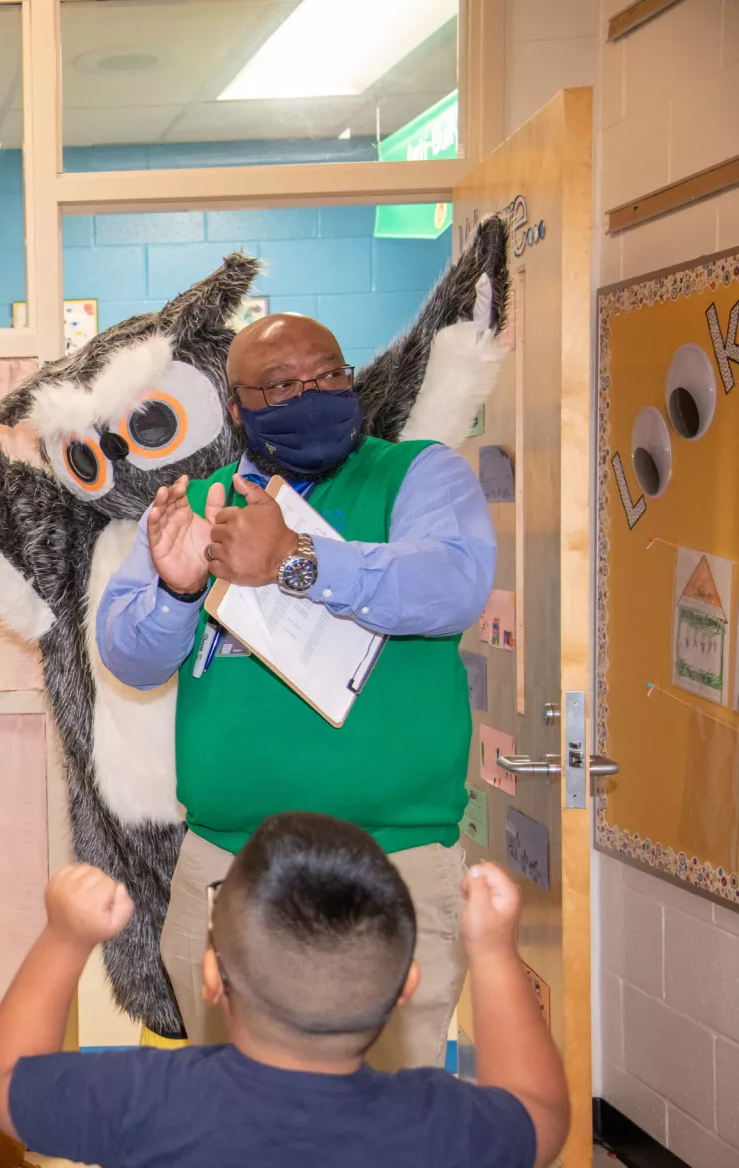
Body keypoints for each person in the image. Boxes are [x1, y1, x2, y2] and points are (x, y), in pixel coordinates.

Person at [96, 312, 496, 1070]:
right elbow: (129, 655)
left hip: (394, 863)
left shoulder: (417, 473)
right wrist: (179, 592)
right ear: (239, 407)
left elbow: (450, 585)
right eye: (281, 385)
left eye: (329, 376)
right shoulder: (202, 504)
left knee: (381, 1130)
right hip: (228, 867)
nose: (312, 394)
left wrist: (294, 558)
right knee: (236, 1126)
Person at [0, 812, 568, 1168]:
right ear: (405, 988)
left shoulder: (148, 1098)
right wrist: (491, 953)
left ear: (212, 978)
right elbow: (539, 1110)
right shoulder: (433, 1124)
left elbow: (1, 1083)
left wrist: (64, 937)